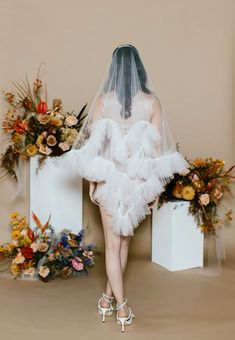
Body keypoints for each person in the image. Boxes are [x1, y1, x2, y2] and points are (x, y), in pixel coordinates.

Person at [59, 44, 189, 332]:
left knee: (114, 245)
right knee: (124, 243)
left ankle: (115, 304)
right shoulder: (152, 102)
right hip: (137, 182)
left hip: (110, 179)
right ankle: (115, 302)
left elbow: (95, 148)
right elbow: (155, 151)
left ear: (113, 68)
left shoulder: (103, 101)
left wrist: (94, 182)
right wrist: (153, 190)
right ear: (139, 68)